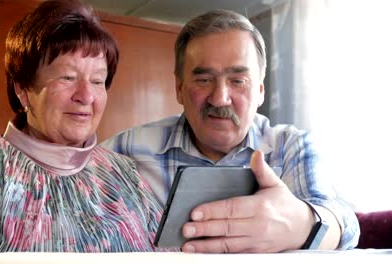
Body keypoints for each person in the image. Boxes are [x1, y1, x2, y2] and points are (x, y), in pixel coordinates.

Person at [0, 0, 165, 263]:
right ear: (23, 89)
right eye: (67, 77)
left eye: (98, 81)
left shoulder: (123, 172)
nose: (86, 96)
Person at [101, 9, 360, 253]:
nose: (220, 98)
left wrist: (302, 224)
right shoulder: (125, 153)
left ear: (260, 90)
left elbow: (344, 225)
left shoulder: (291, 147)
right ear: (179, 88)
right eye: (203, 80)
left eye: (238, 81)